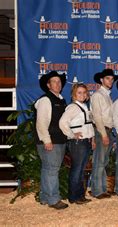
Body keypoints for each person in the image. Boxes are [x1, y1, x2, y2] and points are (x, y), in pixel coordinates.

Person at [35, 71, 69, 209]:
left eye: (59, 81)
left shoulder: (60, 99)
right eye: (54, 81)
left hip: (59, 140)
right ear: (48, 85)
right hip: (50, 141)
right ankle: (54, 199)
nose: (58, 84)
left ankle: (44, 197)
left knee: (48, 169)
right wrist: (46, 140)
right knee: (52, 170)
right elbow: (41, 122)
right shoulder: (45, 100)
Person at [59, 83, 95, 205]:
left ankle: (80, 195)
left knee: (81, 170)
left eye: (84, 92)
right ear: (74, 94)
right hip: (78, 143)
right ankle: (74, 197)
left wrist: (92, 139)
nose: (82, 95)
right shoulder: (73, 107)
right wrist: (72, 134)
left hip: (86, 141)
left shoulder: (84, 106)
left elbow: (89, 125)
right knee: (77, 170)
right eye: (79, 92)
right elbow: (63, 122)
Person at [90, 69, 118, 199]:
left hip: (108, 130)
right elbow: (97, 117)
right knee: (99, 161)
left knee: (103, 161)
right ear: (101, 80)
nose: (110, 81)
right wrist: (104, 134)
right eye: (108, 78)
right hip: (102, 131)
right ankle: (96, 190)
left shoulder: (107, 95)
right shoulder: (97, 95)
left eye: (112, 79)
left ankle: (101, 189)